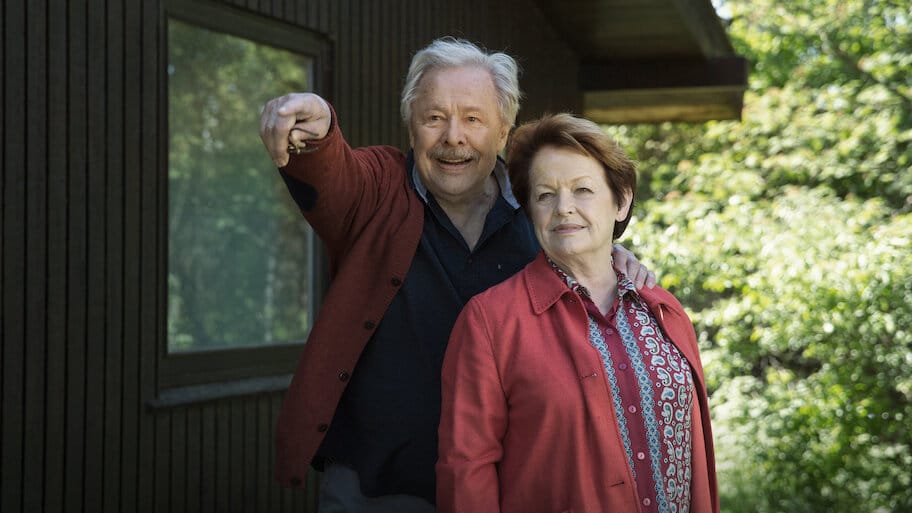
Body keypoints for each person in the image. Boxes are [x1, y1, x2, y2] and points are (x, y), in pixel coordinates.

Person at [258, 38, 656, 512]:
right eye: (434, 118)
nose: (453, 136)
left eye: (473, 118)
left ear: (504, 129)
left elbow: (586, 256)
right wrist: (318, 129)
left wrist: (612, 255)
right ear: (411, 126)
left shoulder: (539, 213)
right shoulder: (378, 190)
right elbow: (333, 174)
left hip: (505, 490)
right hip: (377, 489)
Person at [436, 113, 718, 513]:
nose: (564, 208)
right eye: (545, 195)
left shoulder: (664, 310)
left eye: (582, 190)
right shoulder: (490, 322)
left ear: (620, 202)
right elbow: (465, 473)